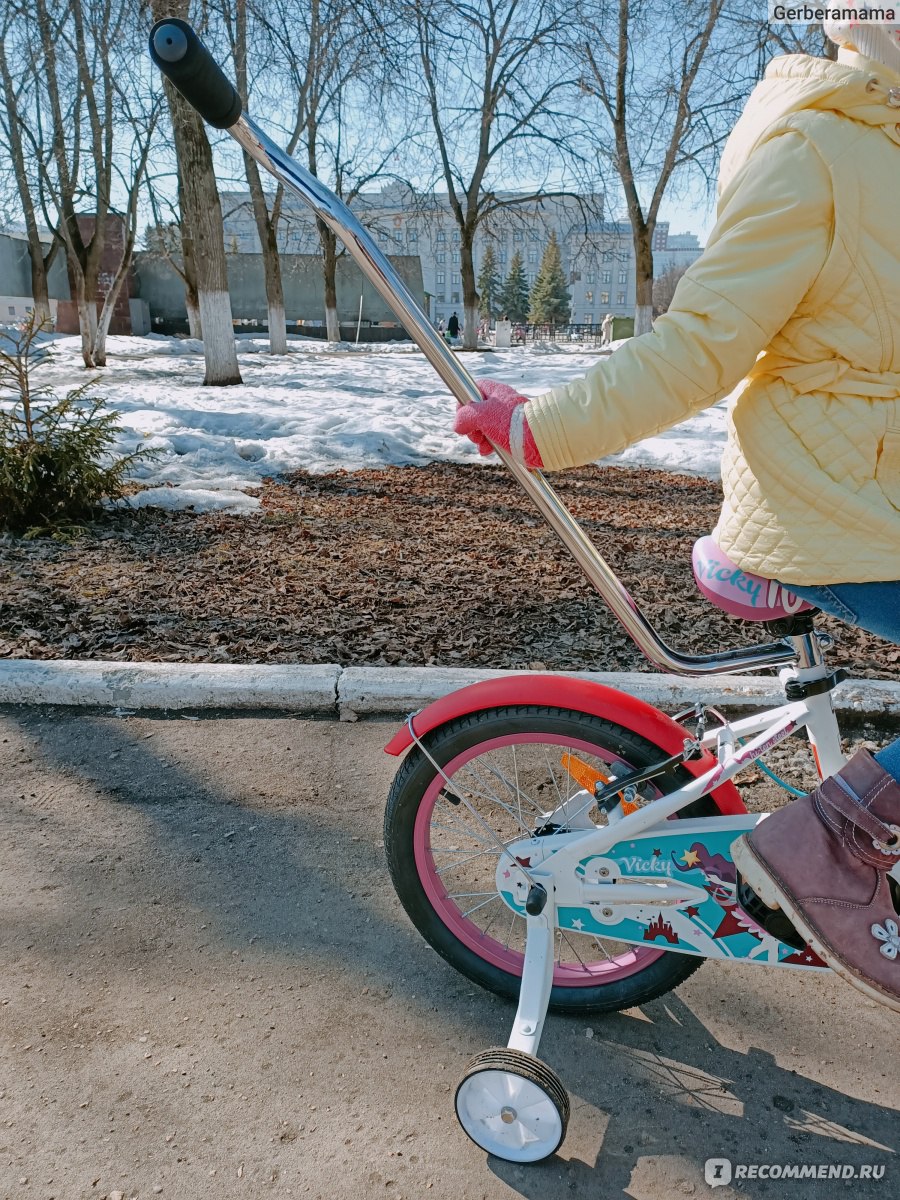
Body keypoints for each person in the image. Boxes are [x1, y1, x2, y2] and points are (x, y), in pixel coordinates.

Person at [454, 20, 900, 1012]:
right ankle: (825, 843)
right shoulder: (815, 151)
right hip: (822, 506)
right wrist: (542, 429)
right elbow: (702, 341)